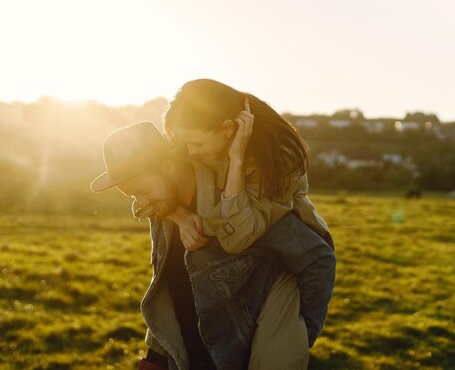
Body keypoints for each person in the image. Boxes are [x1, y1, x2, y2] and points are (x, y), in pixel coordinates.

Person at [90, 121, 335, 370]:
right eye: (133, 196)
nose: (141, 205)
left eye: (142, 191)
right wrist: (155, 360)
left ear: (167, 166)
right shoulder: (162, 208)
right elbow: (166, 289)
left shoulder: (238, 205)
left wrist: (301, 335)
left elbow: (318, 259)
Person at [162, 79, 335, 343]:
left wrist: (237, 160)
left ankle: (299, 342)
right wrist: (180, 216)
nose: (189, 151)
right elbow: (143, 188)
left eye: (197, 144)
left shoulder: (281, 157)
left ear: (229, 129)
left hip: (278, 242)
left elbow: (238, 238)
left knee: (277, 355)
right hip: (223, 248)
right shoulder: (191, 140)